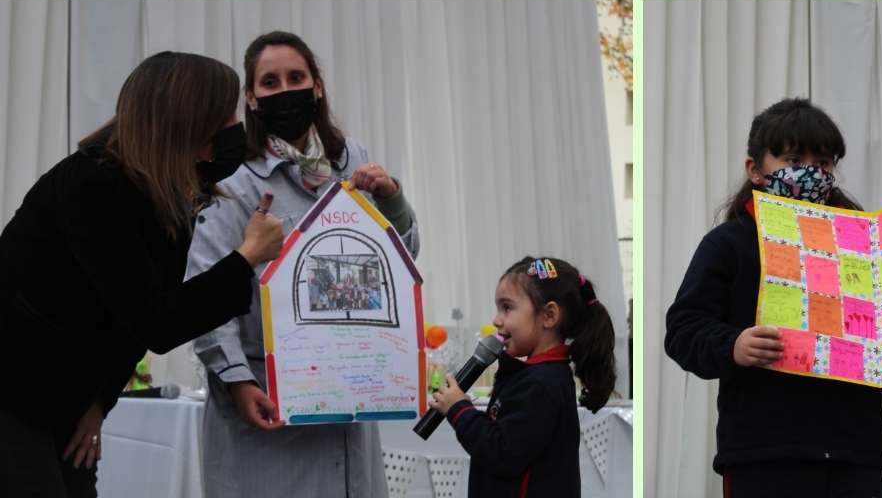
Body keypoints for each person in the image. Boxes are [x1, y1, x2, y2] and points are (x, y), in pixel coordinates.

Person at [0, 54, 288, 498]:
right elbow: (157, 320)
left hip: (61, 400)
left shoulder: (163, 195)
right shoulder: (91, 184)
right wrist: (247, 256)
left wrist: (99, 401)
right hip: (14, 393)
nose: (234, 129)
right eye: (224, 117)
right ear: (186, 122)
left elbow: (133, 319)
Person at [189, 33, 420, 498]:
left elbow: (400, 262)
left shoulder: (352, 161)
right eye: (270, 82)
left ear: (317, 86)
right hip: (268, 403)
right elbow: (205, 291)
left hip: (349, 395)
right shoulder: (233, 179)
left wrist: (392, 200)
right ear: (251, 98)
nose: (285, 90)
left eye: (296, 77)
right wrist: (236, 379)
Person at [663, 99, 882, 494]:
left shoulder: (862, 244)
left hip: (855, 450)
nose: (810, 172)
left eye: (823, 163)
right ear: (755, 169)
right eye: (793, 159)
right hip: (765, 451)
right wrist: (733, 344)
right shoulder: (729, 244)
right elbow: (683, 329)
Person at [429, 256, 616, 498]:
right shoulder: (534, 376)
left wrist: (459, 410)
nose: (496, 320)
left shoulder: (542, 383)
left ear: (549, 316)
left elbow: (502, 452)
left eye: (507, 307)